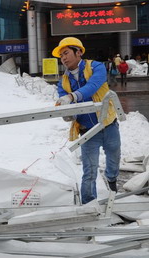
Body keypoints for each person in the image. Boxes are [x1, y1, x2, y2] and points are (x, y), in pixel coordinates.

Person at [53, 36, 121, 204]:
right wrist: (66, 112)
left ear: (79, 52)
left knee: (114, 157)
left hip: (108, 124)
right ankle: (89, 205)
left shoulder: (96, 67)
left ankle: (112, 180)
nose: (63, 58)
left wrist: (72, 96)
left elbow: (93, 87)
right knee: (89, 170)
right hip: (87, 131)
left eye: (66, 53)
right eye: (61, 55)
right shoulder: (63, 82)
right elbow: (64, 101)